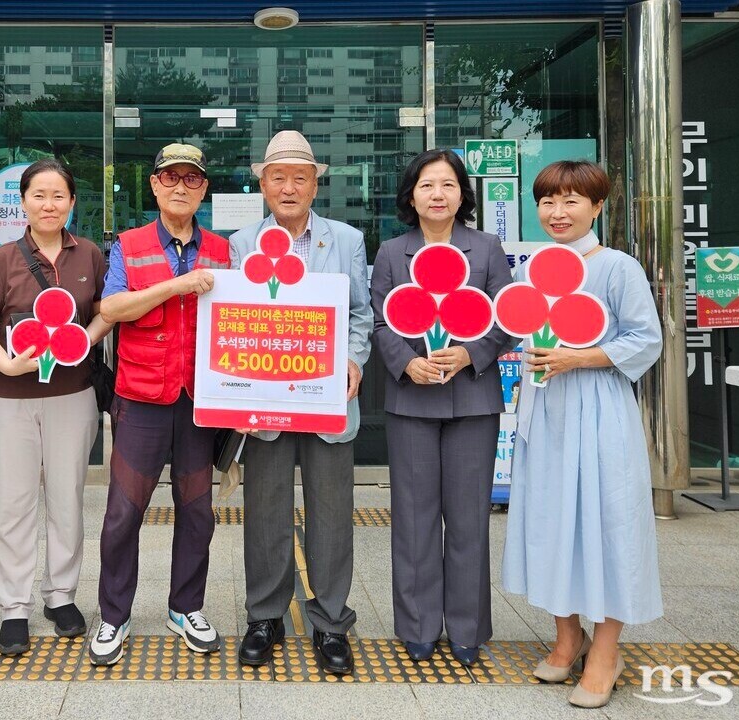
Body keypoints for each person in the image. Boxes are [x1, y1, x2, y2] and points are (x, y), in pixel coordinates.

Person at [500, 160, 664, 708]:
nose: (558, 211)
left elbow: (646, 339)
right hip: (546, 410)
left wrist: (579, 358)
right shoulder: (533, 270)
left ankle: (606, 652)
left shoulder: (617, 267)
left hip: (598, 410)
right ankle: (567, 637)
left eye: (572, 200)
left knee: (606, 521)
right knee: (551, 520)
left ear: (598, 206)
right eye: (548, 201)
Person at [229, 131, 372, 675]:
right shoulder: (241, 244)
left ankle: (331, 621)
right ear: (262, 183)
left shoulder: (347, 239)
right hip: (266, 401)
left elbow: (361, 313)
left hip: (327, 398)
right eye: (278, 177)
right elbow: (236, 320)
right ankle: (264, 616)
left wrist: (354, 360)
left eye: (300, 178)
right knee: (264, 511)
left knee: (332, 512)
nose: (289, 188)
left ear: (317, 183)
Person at [0, 159, 112, 656]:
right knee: (14, 502)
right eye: (39, 195)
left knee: (67, 498)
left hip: (73, 396)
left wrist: (83, 342)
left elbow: (106, 314)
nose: (49, 204)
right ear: (23, 202)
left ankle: (62, 596)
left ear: (72, 203)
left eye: (59, 196)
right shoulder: (2, 259)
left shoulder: (90, 255)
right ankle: (14, 606)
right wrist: (5, 364)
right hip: (10, 401)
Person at [370, 149, 515, 665]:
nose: (438, 194)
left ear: (462, 194)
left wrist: (472, 353)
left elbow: (509, 315)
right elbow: (379, 321)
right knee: (413, 518)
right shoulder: (392, 251)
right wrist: (407, 364)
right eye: (427, 185)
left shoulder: (487, 248)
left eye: (448, 185)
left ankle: (468, 630)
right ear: (411, 195)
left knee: (470, 517)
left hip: (473, 400)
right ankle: (418, 627)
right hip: (411, 400)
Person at [90, 142, 231, 665]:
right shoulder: (128, 244)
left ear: (203, 189)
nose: (180, 186)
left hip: (199, 402)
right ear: (153, 185)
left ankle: (185, 607)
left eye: (191, 179)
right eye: (170, 177)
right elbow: (113, 305)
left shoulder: (221, 249)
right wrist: (177, 285)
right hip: (141, 398)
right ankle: (113, 616)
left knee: (198, 513)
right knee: (123, 513)